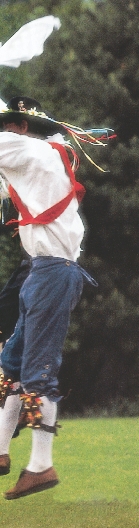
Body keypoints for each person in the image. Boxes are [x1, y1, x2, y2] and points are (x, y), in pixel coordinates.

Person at [0, 95, 97, 499]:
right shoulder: (41, 153)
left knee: (37, 372)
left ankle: (40, 465)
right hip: (44, 271)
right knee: (11, 365)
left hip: (52, 272)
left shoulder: (22, 148)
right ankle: (1, 451)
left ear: (21, 127)